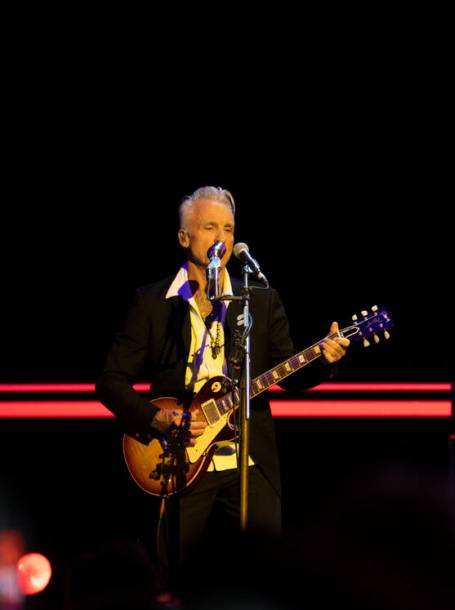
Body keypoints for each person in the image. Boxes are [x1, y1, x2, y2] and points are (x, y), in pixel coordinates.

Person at [96, 186, 349, 573]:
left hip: (250, 460)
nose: (222, 239)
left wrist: (324, 359)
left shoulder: (259, 300)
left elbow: (289, 373)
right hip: (182, 458)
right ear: (184, 237)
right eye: (210, 227)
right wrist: (158, 418)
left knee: (265, 575)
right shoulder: (151, 302)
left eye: (228, 229)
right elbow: (110, 382)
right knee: (177, 575)